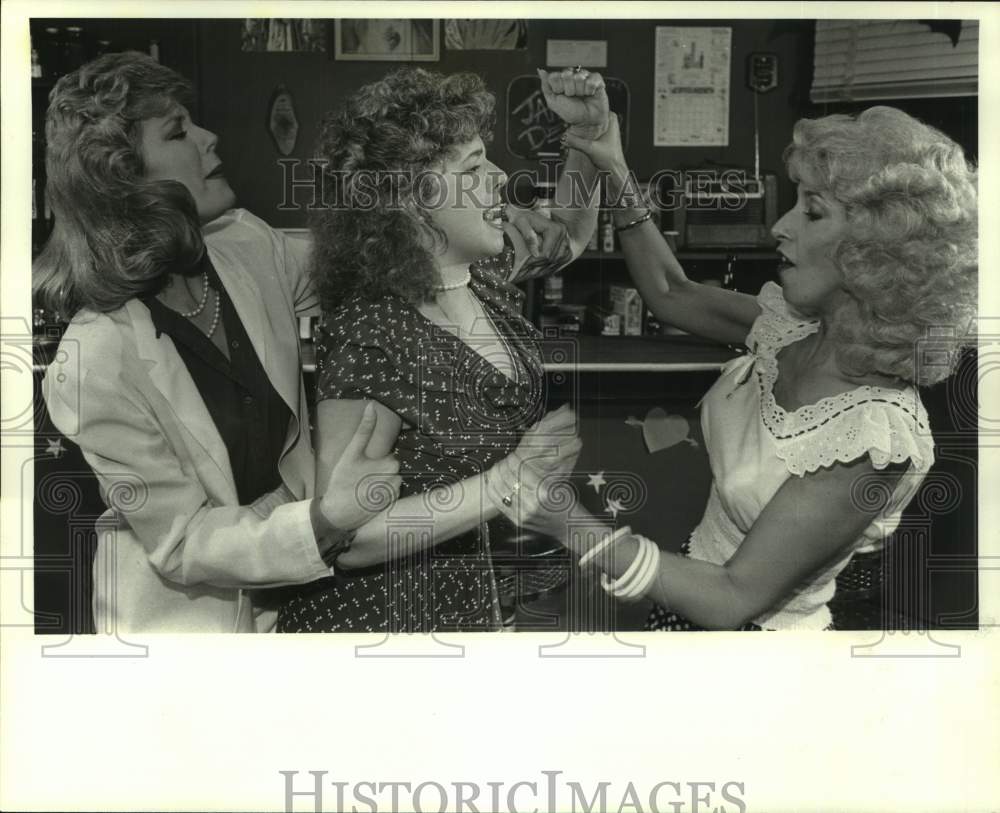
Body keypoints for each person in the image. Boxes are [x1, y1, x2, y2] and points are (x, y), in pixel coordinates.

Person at [486, 106, 977, 630]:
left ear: (875, 252)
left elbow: (732, 599)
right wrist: (613, 165)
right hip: (687, 594)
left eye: (812, 212)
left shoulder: (873, 436)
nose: (779, 227)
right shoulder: (794, 327)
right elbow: (672, 292)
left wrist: (567, 522)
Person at [35, 52, 409, 633]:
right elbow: (183, 541)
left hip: (298, 595)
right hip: (187, 627)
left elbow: (374, 264)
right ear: (122, 177)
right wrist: (325, 519)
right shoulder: (94, 362)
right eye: (179, 131)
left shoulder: (244, 245)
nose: (209, 138)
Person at [276, 66, 607, 632]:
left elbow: (570, 233)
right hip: (382, 628)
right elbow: (345, 535)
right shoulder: (372, 331)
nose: (500, 178)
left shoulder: (484, 276)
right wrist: (510, 482)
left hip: (468, 607)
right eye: (474, 167)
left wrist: (587, 139)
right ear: (409, 199)